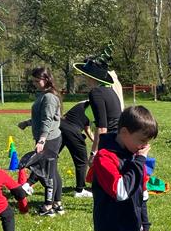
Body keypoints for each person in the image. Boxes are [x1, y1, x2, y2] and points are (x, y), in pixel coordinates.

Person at [18, 67, 64, 217]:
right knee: (53, 171)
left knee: (47, 173)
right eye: (34, 81)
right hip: (48, 138)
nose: (35, 83)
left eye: (37, 81)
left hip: (49, 139)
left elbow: (47, 120)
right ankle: (57, 203)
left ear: (46, 79)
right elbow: (40, 117)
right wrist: (27, 123)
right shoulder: (44, 95)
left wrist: (42, 140)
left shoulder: (49, 97)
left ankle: (48, 206)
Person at [73, 55, 123, 161]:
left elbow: (102, 127)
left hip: (110, 143)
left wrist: (94, 153)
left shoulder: (96, 93)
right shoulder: (110, 90)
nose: (85, 78)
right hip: (119, 138)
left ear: (91, 77)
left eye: (85, 75)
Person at [59, 100, 93, 197]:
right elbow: (95, 128)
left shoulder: (82, 105)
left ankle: (29, 183)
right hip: (72, 131)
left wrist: (94, 141)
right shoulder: (94, 108)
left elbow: (87, 128)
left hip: (61, 127)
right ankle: (79, 190)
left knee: (50, 156)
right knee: (82, 161)